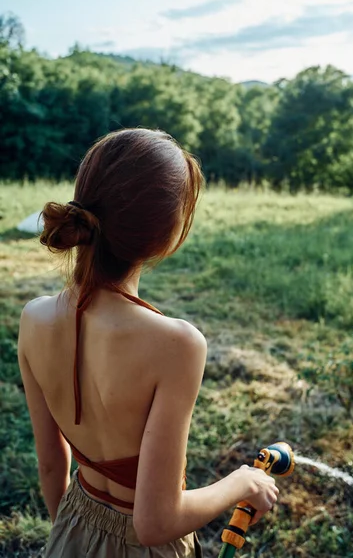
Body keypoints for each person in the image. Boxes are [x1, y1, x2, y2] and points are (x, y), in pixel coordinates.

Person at [18, 128, 279, 558]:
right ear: (170, 232)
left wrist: (70, 536)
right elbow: (156, 522)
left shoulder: (33, 317)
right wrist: (243, 482)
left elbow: (51, 464)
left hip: (71, 525)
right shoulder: (177, 344)